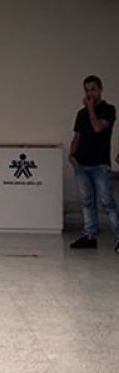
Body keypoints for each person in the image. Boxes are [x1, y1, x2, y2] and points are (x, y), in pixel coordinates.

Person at [69, 75, 119, 251]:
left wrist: (90, 109)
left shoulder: (108, 109)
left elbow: (98, 128)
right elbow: (77, 136)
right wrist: (71, 155)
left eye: (93, 90)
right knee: (87, 202)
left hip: (100, 165)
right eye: (86, 90)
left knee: (108, 203)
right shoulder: (81, 114)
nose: (89, 94)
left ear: (100, 90)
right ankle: (89, 235)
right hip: (81, 164)